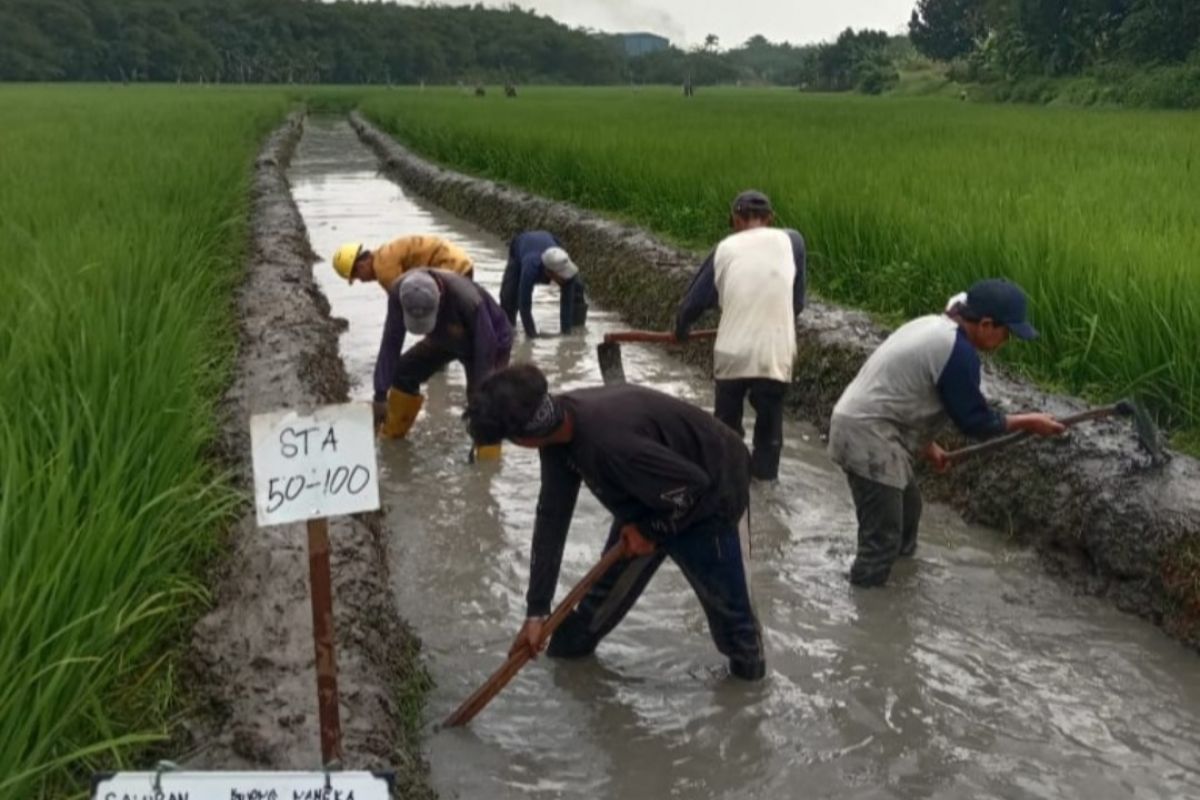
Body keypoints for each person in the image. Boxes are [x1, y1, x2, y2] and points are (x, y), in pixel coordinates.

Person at [465, 364, 766, 680]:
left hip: (713, 497)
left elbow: (694, 488)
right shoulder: (555, 433)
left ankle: (749, 688)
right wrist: (537, 611)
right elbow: (551, 516)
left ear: (524, 438)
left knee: (734, 624)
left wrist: (649, 531)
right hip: (647, 496)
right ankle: (570, 671)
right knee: (590, 616)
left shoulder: (609, 444)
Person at [828, 278, 1066, 587]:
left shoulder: (934, 328)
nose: (1006, 341)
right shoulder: (957, 351)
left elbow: (906, 396)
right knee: (882, 540)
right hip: (868, 435)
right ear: (985, 324)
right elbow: (975, 422)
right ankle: (868, 612)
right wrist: (1028, 422)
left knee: (908, 510)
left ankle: (898, 586)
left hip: (874, 429)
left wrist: (930, 447)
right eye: (1006, 333)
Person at [674, 190, 807, 481]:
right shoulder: (792, 240)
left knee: (726, 432)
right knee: (769, 433)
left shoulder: (726, 247)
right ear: (770, 219)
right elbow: (797, 304)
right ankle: (766, 490)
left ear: (735, 219)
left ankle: (730, 489)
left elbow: (694, 302)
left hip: (732, 353)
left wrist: (681, 330)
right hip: (774, 353)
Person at [376, 270, 512, 459]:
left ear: (440, 297)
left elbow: (485, 353)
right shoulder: (399, 293)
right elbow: (391, 342)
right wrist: (380, 394)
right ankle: (392, 437)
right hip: (445, 338)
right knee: (403, 372)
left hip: (490, 341)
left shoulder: (468, 301)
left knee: (485, 404)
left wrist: (480, 400)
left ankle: (486, 464)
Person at [499, 231, 588, 338]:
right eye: (562, 274)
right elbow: (525, 305)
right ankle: (508, 331)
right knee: (509, 296)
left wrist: (566, 335)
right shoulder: (530, 268)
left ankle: (577, 327)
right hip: (520, 247)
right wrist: (532, 335)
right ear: (550, 272)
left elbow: (566, 303)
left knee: (577, 287)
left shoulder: (564, 266)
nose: (566, 277)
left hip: (550, 240)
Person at [330, 235, 474, 291]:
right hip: (458, 262)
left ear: (361, 266)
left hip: (451, 269)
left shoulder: (383, 268)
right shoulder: (383, 255)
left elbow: (400, 305)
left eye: (357, 277)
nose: (362, 281)